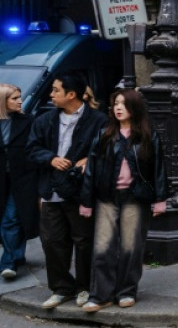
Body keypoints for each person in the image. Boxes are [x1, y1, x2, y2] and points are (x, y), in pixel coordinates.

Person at [77, 89, 167, 312]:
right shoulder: (104, 135)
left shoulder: (147, 136)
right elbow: (92, 171)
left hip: (135, 198)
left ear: (134, 109)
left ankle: (126, 291)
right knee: (102, 247)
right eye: (115, 103)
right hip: (107, 197)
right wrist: (86, 201)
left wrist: (160, 199)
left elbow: (159, 169)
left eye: (123, 104)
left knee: (131, 247)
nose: (118, 108)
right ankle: (100, 295)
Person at [26, 71, 107, 308]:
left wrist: (89, 161)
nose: (51, 95)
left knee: (84, 241)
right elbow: (31, 150)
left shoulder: (98, 120)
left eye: (55, 90)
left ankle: (85, 287)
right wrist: (50, 158)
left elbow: (105, 151)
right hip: (50, 190)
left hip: (80, 190)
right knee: (51, 241)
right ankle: (62, 287)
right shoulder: (44, 120)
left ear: (71, 94)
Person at [0, 84, 39, 280]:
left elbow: (34, 149)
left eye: (19, 97)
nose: (20, 101)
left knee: (11, 218)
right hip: (3, 179)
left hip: (22, 178)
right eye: (14, 98)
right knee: (12, 219)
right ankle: (17, 255)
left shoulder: (28, 121)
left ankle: (7, 262)